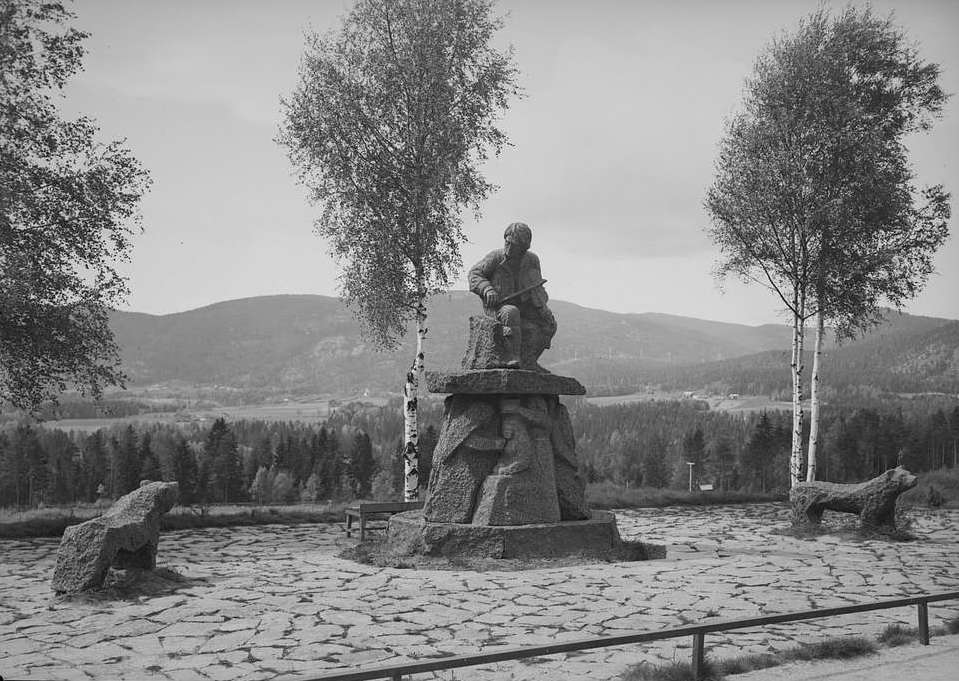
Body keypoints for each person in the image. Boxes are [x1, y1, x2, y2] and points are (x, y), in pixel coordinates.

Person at [468, 222, 556, 369]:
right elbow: (474, 274)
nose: (508, 247)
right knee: (511, 312)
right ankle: (512, 357)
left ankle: (529, 360)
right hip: (499, 307)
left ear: (523, 247)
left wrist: (542, 308)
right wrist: (487, 289)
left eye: (513, 245)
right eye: (507, 242)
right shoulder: (495, 257)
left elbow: (537, 287)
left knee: (549, 322)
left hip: (525, 305)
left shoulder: (532, 260)